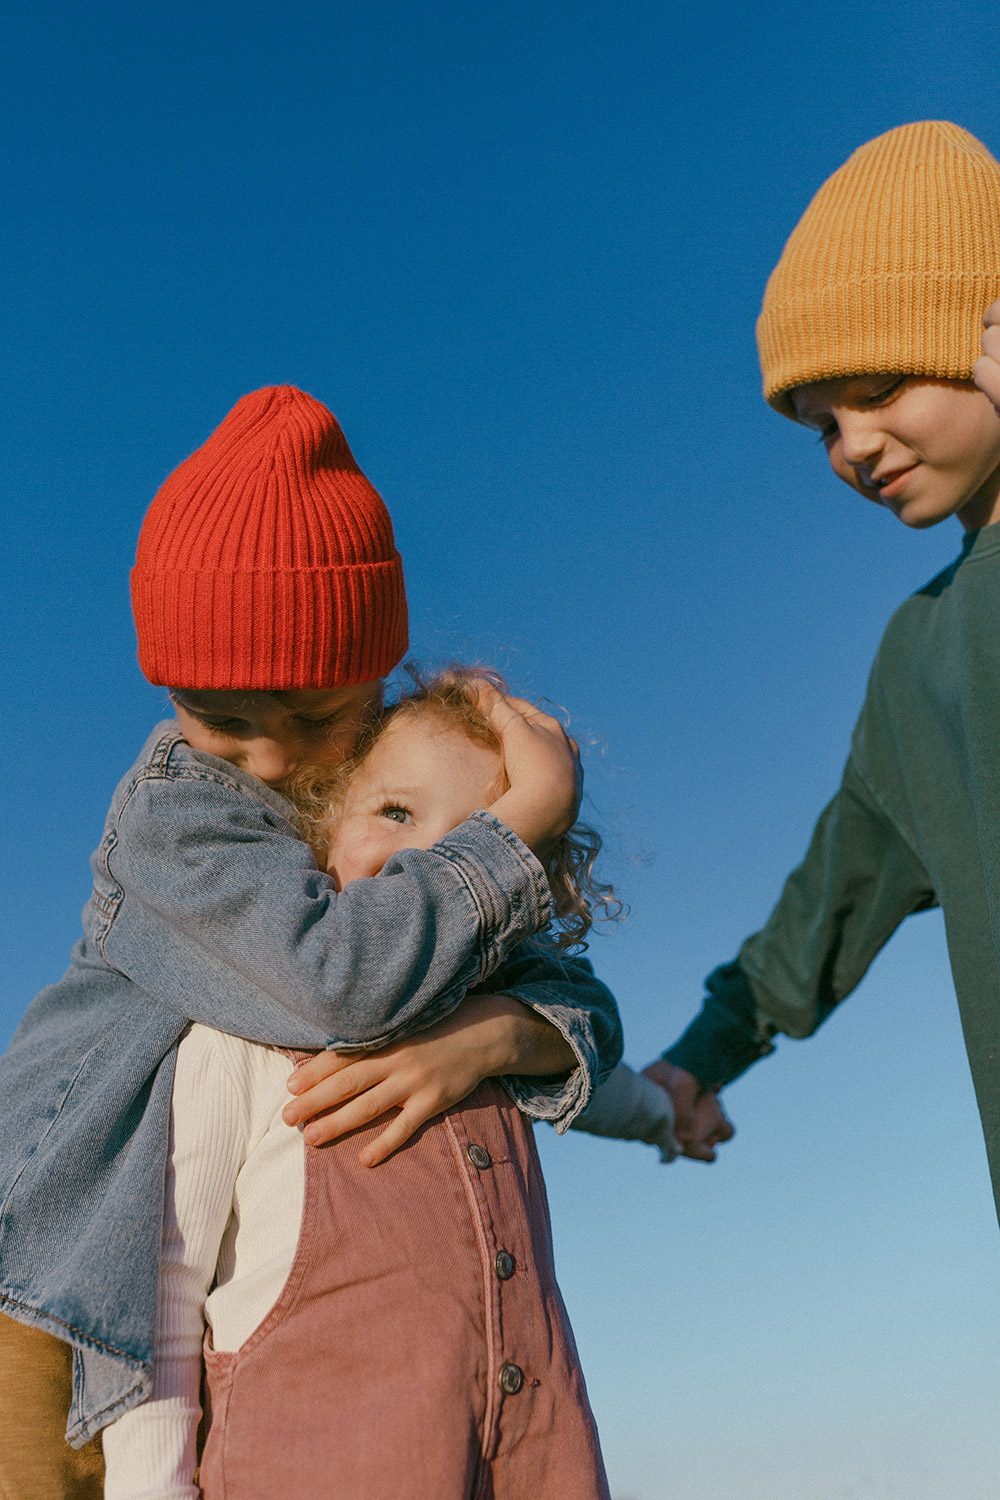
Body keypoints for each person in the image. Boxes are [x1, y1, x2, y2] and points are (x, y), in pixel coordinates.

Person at [0, 385, 625, 1496]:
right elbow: (334, 986)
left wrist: (502, 1035)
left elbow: (568, 997)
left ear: (375, 678)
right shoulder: (179, 816)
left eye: (312, 713)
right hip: (56, 1268)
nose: (272, 755)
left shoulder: (374, 822)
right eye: (221, 714)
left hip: (189, 1287)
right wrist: (520, 821)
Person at [100, 670, 667, 1498]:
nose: (428, 861)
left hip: (535, 1458)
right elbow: (161, 1282)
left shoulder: (512, 1034)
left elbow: (604, 1081)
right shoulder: (241, 1034)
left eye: (479, 835)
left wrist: (666, 1117)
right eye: (397, 812)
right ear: (321, 828)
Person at [649, 120, 1000, 1218]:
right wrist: (701, 1057)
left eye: (882, 383)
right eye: (819, 424)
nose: (852, 445)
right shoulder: (918, 657)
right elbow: (827, 902)